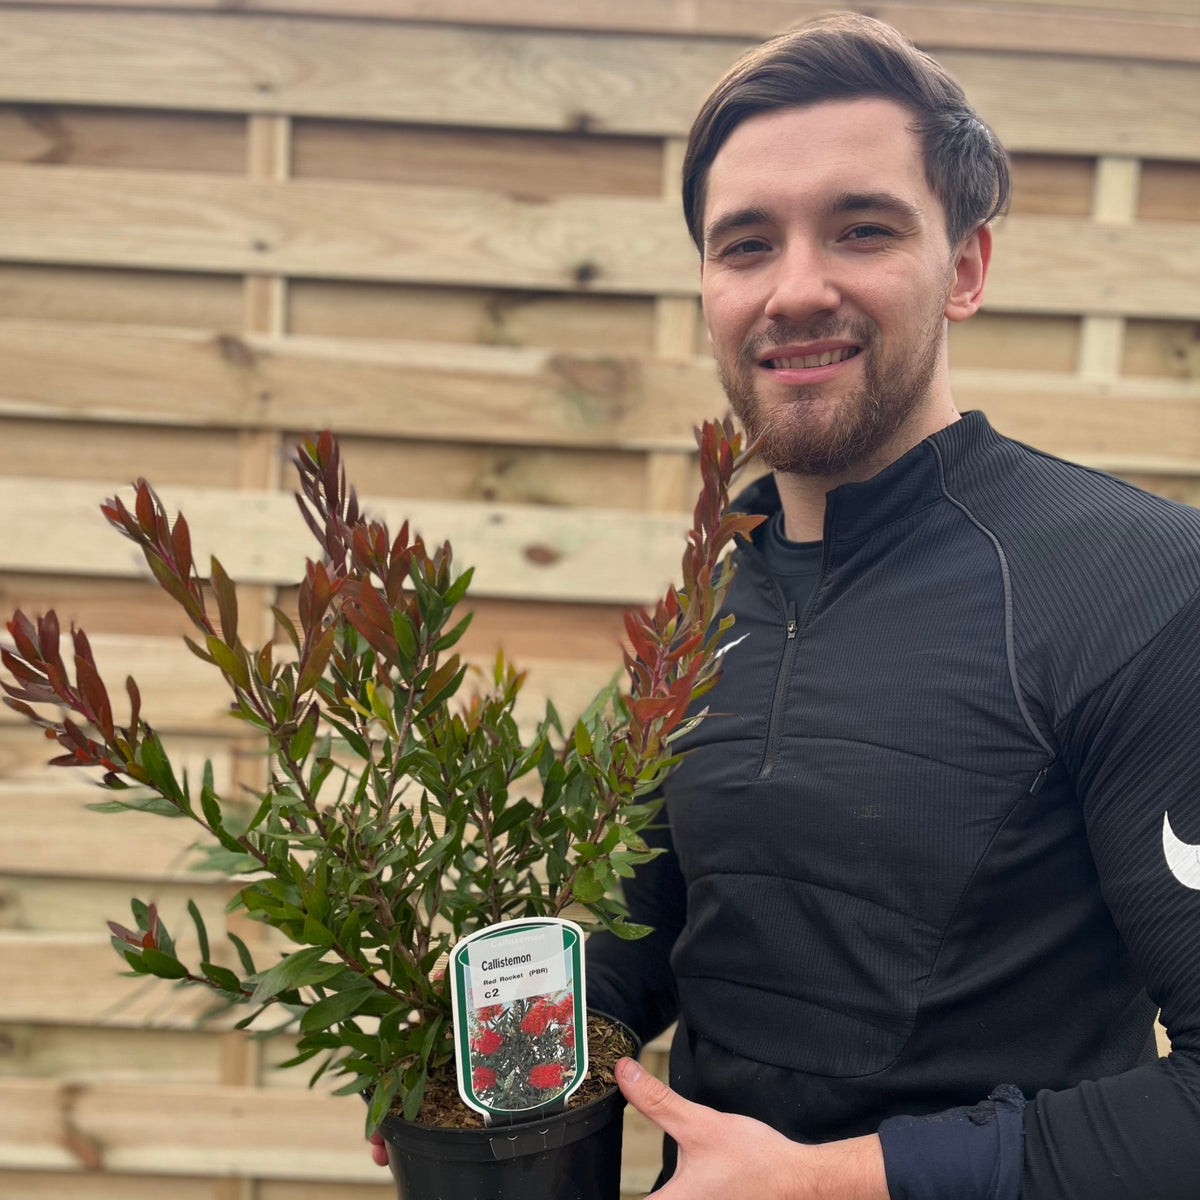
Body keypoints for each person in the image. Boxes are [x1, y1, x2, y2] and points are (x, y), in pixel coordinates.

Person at [576, 12, 1200, 1200]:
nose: (796, 289)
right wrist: (471, 1048)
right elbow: (643, 941)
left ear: (964, 267)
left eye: (862, 230)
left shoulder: (1144, 586)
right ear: (709, 287)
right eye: (746, 245)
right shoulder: (711, 599)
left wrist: (824, 1181)